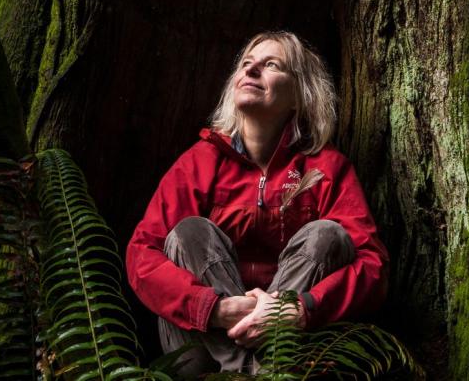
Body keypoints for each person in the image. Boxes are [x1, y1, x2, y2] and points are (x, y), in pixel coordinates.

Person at [125, 31, 389, 375]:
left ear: (299, 94)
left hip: (291, 345)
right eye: (247, 64)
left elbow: (372, 266)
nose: (250, 71)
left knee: (328, 235)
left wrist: (300, 309)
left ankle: (256, 370)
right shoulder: (199, 162)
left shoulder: (326, 168)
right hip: (200, 352)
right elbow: (142, 254)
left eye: (271, 65)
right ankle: (257, 374)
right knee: (188, 233)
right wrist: (212, 308)